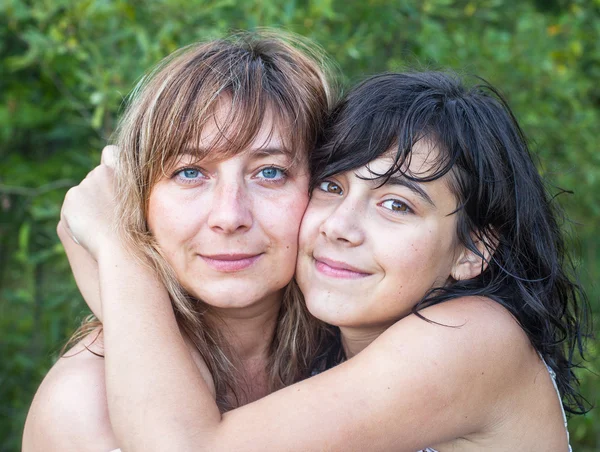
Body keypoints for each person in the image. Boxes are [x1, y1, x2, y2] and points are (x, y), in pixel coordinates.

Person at [59, 71, 588, 451]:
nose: (340, 226)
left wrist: (116, 247)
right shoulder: (330, 353)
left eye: (396, 204)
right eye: (332, 186)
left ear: (473, 250)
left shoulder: (471, 338)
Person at [22, 31, 337, 451]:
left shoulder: (363, 347)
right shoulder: (82, 403)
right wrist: (116, 244)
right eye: (190, 172)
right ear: (140, 198)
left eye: (270, 172)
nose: (229, 216)